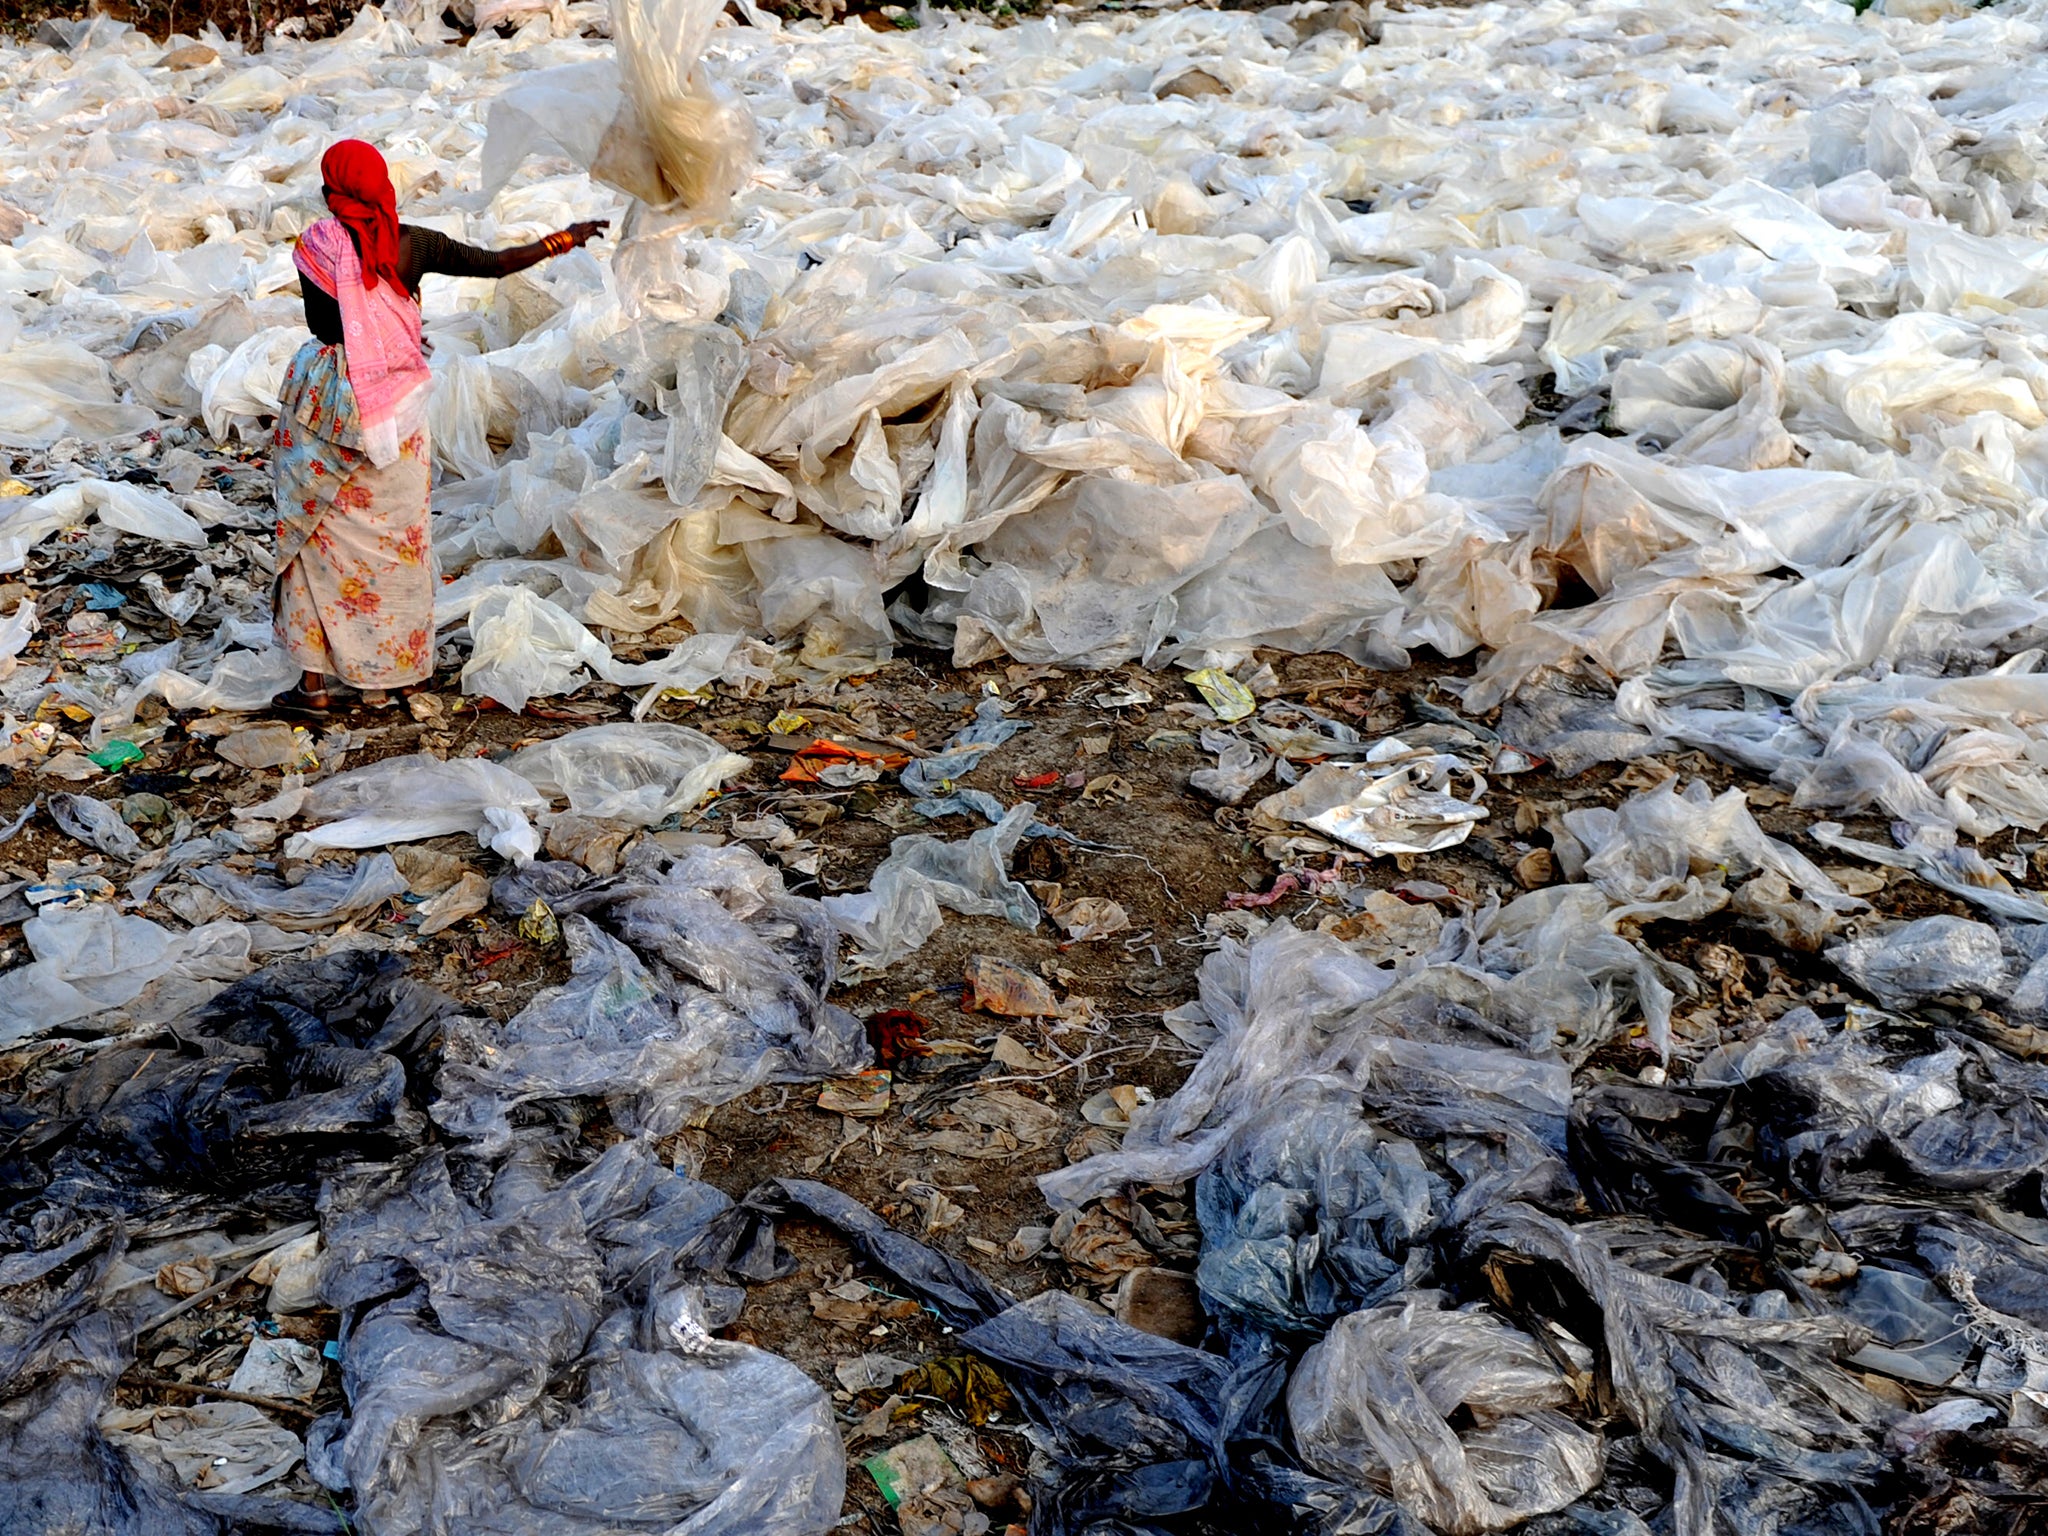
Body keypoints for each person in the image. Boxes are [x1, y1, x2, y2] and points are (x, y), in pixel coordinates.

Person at [273, 139, 605, 711]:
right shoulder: (413, 245)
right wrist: (564, 238)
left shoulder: (316, 246)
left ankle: (315, 686)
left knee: (316, 535)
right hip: (396, 406)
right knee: (397, 542)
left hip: (327, 400)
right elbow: (496, 264)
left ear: (333, 189)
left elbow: (329, 326)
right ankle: (395, 678)